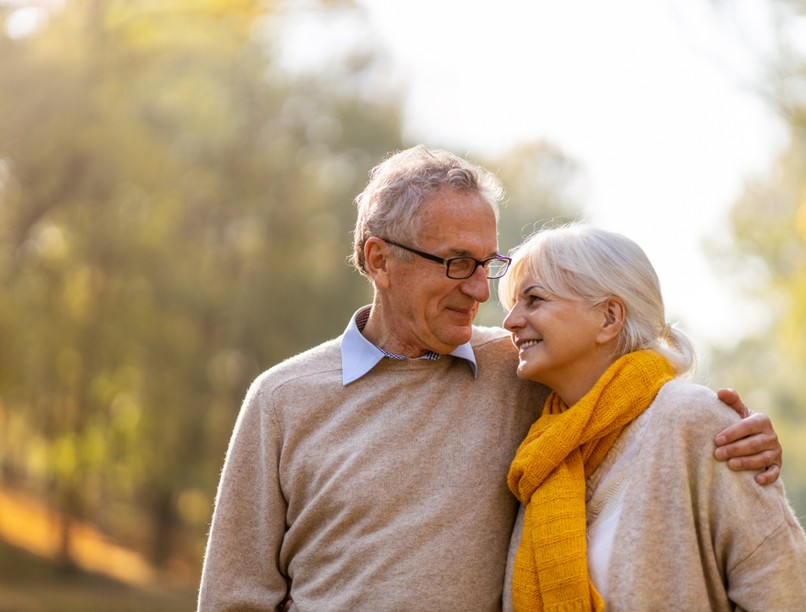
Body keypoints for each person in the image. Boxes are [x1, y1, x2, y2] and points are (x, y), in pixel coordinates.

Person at [197, 146, 783, 611]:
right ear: (379, 260)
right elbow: (234, 597)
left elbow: (629, 388)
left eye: (487, 263)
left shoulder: (525, 368)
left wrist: (742, 435)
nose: (481, 291)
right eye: (456, 262)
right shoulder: (282, 399)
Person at [499, 223, 806, 611]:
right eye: (513, 304)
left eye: (534, 300)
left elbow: (780, 585)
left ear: (609, 317)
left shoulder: (694, 420)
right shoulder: (543, 453)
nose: (510, 321)